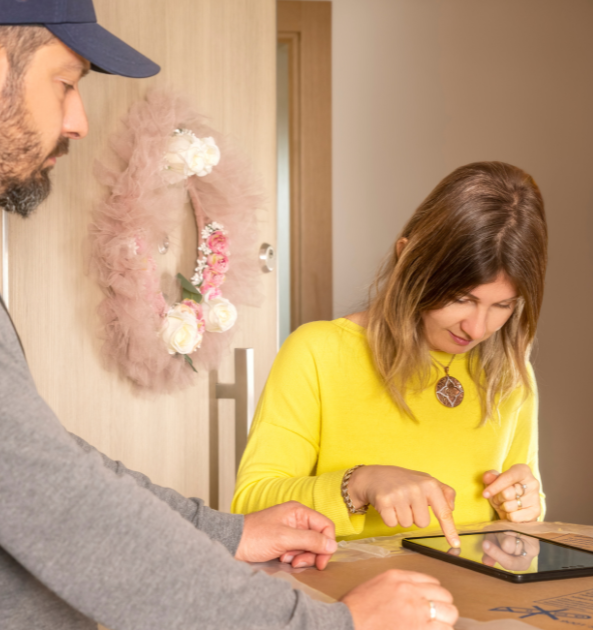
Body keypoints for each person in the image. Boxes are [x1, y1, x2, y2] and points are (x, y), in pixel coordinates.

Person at [0, 1, 458, 628]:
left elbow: (40, 461)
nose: (76, 121)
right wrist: (334, 624)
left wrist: (224, 533)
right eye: (65, 83)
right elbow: (66, 514)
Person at [233, 162, 548, 553]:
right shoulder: (318, 352)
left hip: (473, 605)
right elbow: (250, 507)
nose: (478, 329)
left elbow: (522, 518)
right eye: (461, 298)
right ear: (407, 258)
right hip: (348, 603)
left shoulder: (512, 375)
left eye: (502, 305)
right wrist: (358, 484)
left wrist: (525, 507)